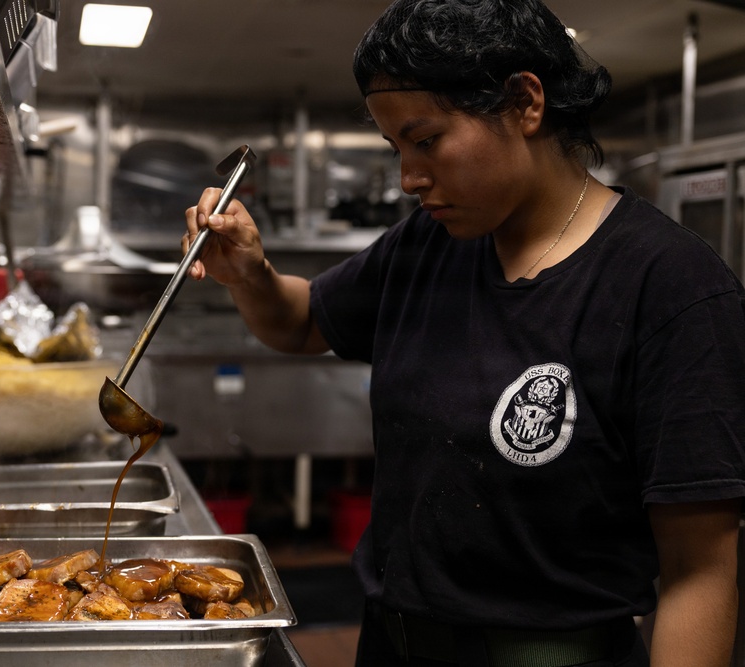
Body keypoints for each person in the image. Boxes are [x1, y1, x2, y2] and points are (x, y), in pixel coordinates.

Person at [183, 0, 745, 665]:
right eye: (397, 149)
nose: (409, 179)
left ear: (525, 102)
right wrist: (250, 272)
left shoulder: (670, 283)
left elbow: (701, 570)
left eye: (426, 141)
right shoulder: (431, 241)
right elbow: (303, 320)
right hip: (392, 642)